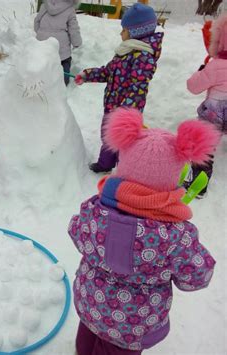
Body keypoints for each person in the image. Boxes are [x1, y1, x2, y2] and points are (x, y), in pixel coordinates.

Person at [68, 108, 220, 355]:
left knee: (87, 341)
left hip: (91, 303)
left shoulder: (93, 212)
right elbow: (197, 276)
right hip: (132, 326)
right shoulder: (175, 237)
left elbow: (75, 231)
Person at [75, 3, 163, 173]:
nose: (120, 33)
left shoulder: (143, 57)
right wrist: (87, 75)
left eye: (124, 30)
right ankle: (105, 164)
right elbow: (108, 72)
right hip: (112, 106)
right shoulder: (126, 51)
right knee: (108, 137)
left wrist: (124, 111)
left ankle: (125, 170)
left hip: (125, 113)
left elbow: (139, 88)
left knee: (124, 142)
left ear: (135, 32)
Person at [185, 12, 227, 198]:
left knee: (204, 146)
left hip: (214, 113)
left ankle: (198, 185)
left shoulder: (216, 65)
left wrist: (200, 72)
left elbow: (193, 87)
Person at [34, 0, 82, 86]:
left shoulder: (45, 5)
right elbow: (73, 29)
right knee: (65, 61)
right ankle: (64, 82)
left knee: (42, 63)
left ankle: (41, 81)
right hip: (60, 48)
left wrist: (41, 33)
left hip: (42, 45)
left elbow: (36, 22)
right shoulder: (70, 8)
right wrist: (77, 43)